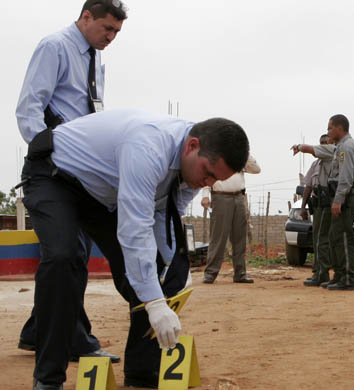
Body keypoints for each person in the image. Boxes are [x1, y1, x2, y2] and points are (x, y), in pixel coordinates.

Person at [19, 108, 249, 389]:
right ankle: (48, 377)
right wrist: (153, 302)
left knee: (167, 269)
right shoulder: (147, 148)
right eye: (208, 174)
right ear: (192, 146)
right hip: (54, 176)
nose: (209, 184)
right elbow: (135, 229)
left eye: (216, 181)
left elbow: (165, 220)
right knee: (63, 258)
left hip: (101, 194)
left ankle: (142, 370)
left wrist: (170, 270)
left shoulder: (194, 168)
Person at [15, 0, 127, 364]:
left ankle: (38, 330)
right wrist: (46, 149)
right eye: (106, 29)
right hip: (54, 169)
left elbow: (90, 111)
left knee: (72, 254)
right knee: (65, 254)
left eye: (116, 33)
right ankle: (71, 339)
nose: (111, 38)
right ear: (86, 17)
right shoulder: (55, 47)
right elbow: (30, 106)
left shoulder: (96, 59)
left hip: (84, 171)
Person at [201, 154, 261, 284]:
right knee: (218, 237)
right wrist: (205, 195)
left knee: (239, 237)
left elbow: (256, 169)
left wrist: (245, 154)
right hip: (220, 197)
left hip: (239, 197)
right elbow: (206, 178)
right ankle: (210, 273)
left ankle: (240, 274)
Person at [291, 134, 336, 286]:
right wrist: (303, 207)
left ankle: (329, 272)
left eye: (326, 143)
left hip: (331, 203)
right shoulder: (316, 164)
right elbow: (308, 186)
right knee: (318, 238)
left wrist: (300, 147)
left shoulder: (335, 160)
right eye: (321, 143)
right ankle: (318, 271)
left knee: (328, 239)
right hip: (318, 205)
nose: (324, 145)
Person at [325, 114, 354, 290]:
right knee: (335, 236)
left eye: (330, 128)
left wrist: (338, 200)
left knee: (343, 238)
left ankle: (348, 278)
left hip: (347, 196)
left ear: (339, 128)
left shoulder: (346, 147)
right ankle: (339, 275)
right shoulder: (343, 146)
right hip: (346, 195)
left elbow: (346, 177)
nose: (328, 131)